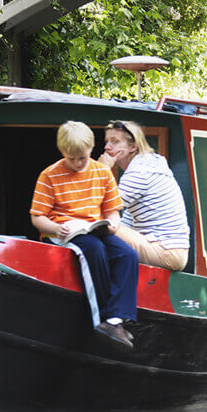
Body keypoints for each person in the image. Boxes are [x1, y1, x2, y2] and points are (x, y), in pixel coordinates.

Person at [30, 121, 139, 351]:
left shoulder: (102, 172)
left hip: (93, 228)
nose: (78, 163)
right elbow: (37, 217)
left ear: (91, 150)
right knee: (93, 250)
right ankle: (100, 318)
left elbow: (112, 210)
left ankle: (116, 320)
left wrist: (111, 225)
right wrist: (54, 228)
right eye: (72, 159)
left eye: (83, 157)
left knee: (127, 254)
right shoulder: (49, 175)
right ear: (62, 153)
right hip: (63, 231)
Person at [98, 120, 190, 271]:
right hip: (169, 249)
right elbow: (126, 219)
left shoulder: (139, 171)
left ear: (133, 146)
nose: (107, 147)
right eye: (107, 141)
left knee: (97, 224)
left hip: (166, 251)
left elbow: (98, 206)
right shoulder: (146, 164)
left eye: (115, 142)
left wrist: (102, 171)